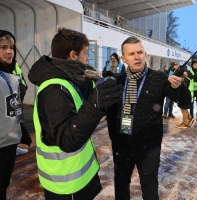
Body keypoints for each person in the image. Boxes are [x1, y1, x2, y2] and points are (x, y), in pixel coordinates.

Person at [28, 27, 122, 200]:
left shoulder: (69, 79)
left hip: (75, 179)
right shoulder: (54, 89)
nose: (88, 58)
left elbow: (86, 85)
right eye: (85, 53)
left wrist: (100, 78)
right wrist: (95, 104)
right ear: (72, 55)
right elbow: (67, 139)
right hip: (66, 184)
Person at [106, 36, 191, 200]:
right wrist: (114, 138)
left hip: (149, 147)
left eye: (140, 52)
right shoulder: (119, 81)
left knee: (150, 188)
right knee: (121, 186)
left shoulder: (158, 78)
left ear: (145, 54)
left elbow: (185, 101)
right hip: (122, 145)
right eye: (131, 54)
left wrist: (180, 86)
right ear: (123, 58)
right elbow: (111, 113)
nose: (137, 57)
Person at [0, 30, 32, 199]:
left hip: (10, 143)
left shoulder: (12, 76)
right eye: (3, 47)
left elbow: (15, 108)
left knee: (4, 184)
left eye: (11, 47)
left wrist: (21, 130)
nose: (9, 51)